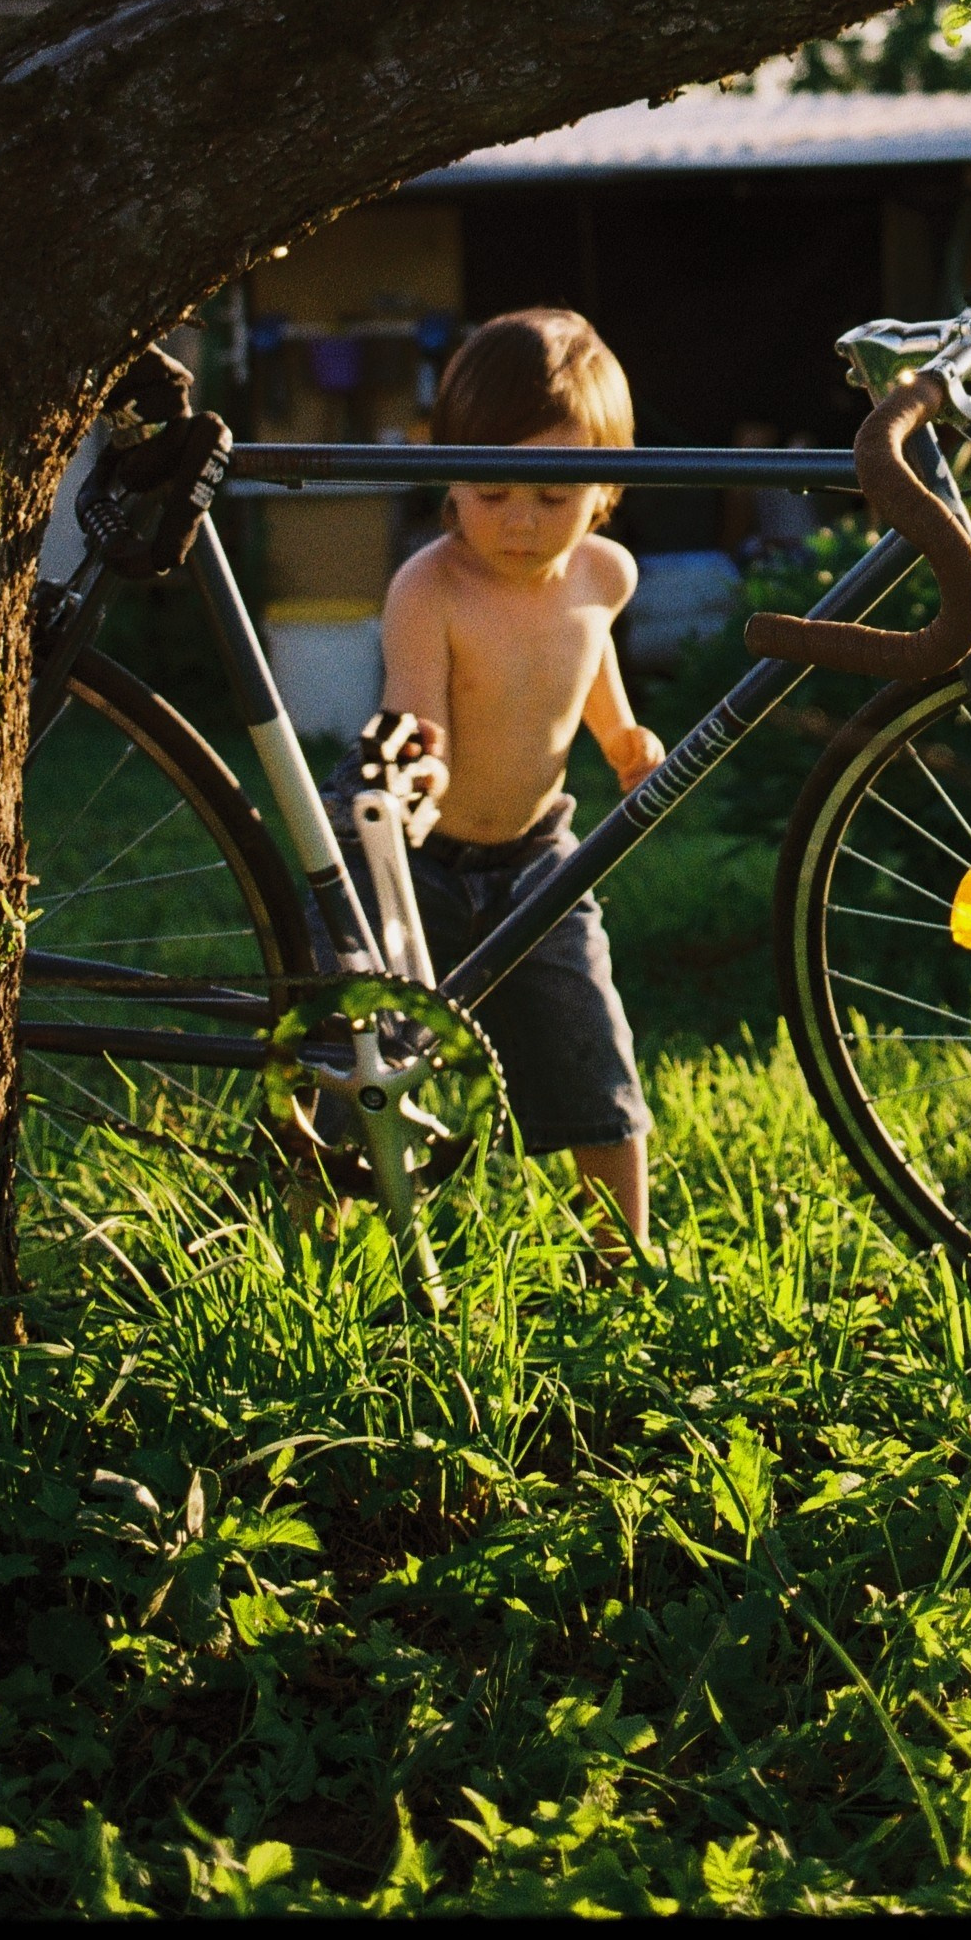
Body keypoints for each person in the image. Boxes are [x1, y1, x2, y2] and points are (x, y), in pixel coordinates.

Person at [331, 306, 661, 1249]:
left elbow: (589, 659)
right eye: (491, 488)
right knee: (353, 1061)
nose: (519, 519)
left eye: (552, 497)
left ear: (605, 488)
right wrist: (419, 767)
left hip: (538, 862)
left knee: (590, 1054)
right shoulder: (430, 586)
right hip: (414, 861)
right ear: (449, 472)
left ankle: (622, 1259)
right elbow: (414, 702)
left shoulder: (604, 573)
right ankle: (307, 1237)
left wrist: (622, 734)